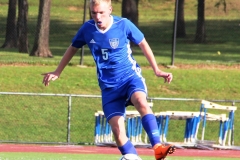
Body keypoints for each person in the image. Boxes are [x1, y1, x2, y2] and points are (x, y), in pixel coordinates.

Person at [42, 0, 175, 159]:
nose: (97, 17)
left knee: (141, 101)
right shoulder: (87, 29)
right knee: (118, 131)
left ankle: (158, 148)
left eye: (101, 13)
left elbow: (143, 43)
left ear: (110, 10)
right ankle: (131, 157)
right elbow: (72, 48)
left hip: (129, 77)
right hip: (109, 87)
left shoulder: (123, 24)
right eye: (93, 13)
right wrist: (58, 71)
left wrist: (157, 70)